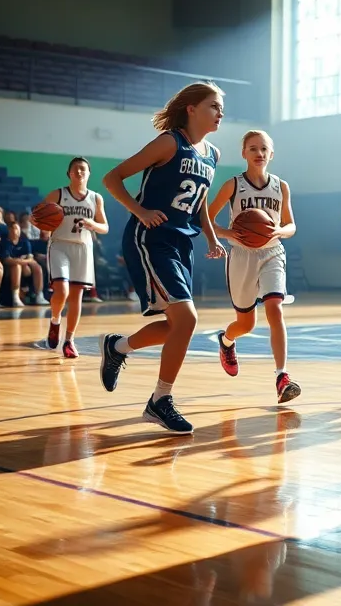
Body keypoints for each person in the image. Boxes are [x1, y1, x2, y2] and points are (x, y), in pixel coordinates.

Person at [98, 81, 227, 435]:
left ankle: (117, 347)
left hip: (182, 243)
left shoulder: (212, 154)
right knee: (187, 320)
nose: (220, 113)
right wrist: (139, 211)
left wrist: (212, 238)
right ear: (192, 108)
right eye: (214, 106)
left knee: (175, 325)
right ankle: (160, 401)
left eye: (221, 107)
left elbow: (198, 202)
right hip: (151, 239)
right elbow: (112, 178)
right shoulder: (170, 142)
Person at [208, 130, 300, 403]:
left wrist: (279, 232)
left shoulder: (281, 186)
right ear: (244, 153)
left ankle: (282, 376)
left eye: (263, 149)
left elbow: (291, 225)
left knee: (275, 307)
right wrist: (227, 234)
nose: (259, 153)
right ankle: (226, 340)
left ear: (271, 154)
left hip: (273, 252)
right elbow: (208, 219)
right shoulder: (233, 185)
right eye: (253, 148)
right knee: (246, 324)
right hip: (242, 256)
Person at [43, 158, 107, 358]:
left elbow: (105, 227)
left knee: (77, 296)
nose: (79, 172)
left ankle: (69, 340)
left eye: (83, 169)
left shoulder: (96, 198)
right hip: (60, 244)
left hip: (83, 248)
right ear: (69, 173)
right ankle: (55, 321)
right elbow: (41, 220)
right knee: (61, 290)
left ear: (89, 174)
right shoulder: (57, 194)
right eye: (75, 169)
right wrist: (42, 224)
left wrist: (92, 224)